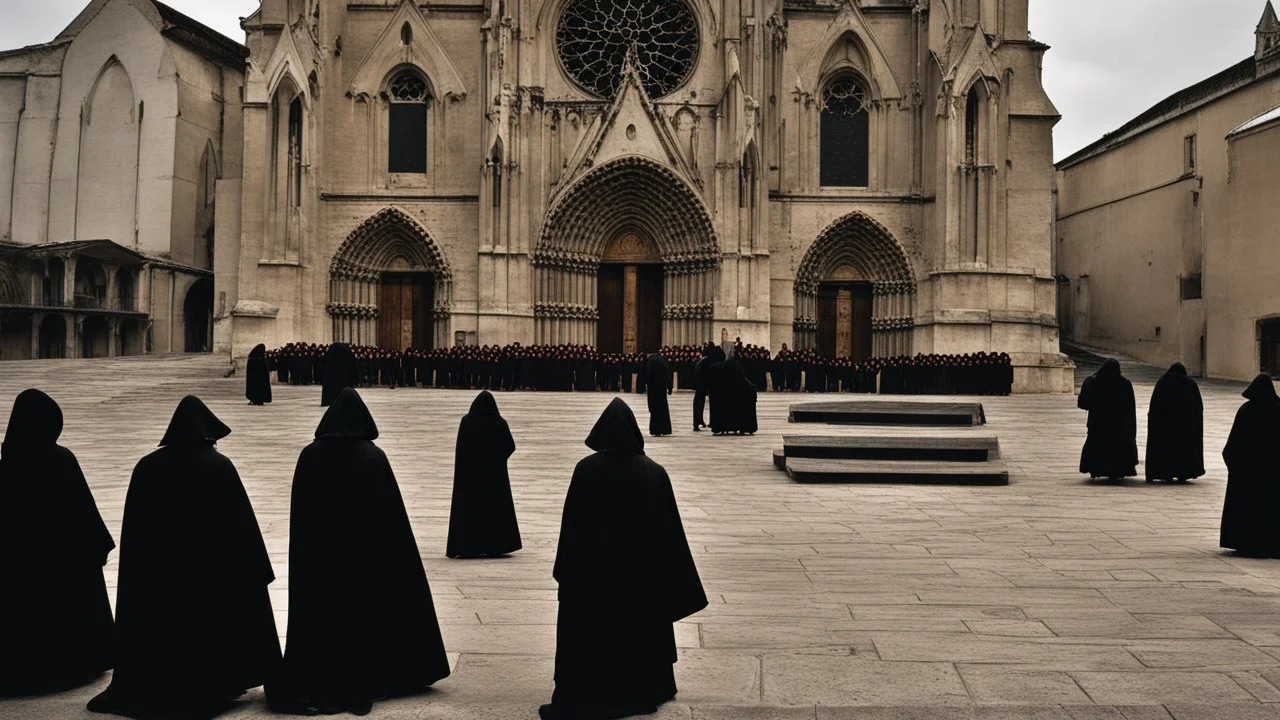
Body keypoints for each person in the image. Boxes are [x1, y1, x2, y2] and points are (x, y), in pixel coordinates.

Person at [89, 396, 280, 718]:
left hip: (160, 586)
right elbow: (242, 532)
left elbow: (136, 539)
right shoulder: (219, 467)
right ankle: (213, 683)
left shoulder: (147, 468)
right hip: (209, 584)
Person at [269, 388, 450, 715]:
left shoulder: (310, 456)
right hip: (365, 565)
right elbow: (392, 523)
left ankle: (320, 676)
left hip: (320, 564)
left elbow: (303, 517)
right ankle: (365, 675)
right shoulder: (373, 457)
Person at [541, 399, 707, 720]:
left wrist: (569, 574)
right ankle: (644, 683)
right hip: (639, 585)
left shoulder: (585, 471)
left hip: (593, 585)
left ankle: (591, 684)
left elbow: (571, 531)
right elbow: (670, 539)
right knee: (639, 626)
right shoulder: (654, 473)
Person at [0, 390, 115, 696]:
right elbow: (83, 513)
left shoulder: (8, 460)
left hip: (19, 571)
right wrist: (97, 546)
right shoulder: (60, 459)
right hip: (63, 567)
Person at [447, 391, 522, 558]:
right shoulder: (499, 422)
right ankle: (494, 545)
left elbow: (461, 448)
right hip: (494, 476)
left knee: (471, 509)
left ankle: (469, 545)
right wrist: (497, 460)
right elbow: (510, 446)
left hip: (470, 476)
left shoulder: (466, 421)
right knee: (493, 509)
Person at [1221, 375, 1280, 557]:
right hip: (1274, 474)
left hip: (1248, 474)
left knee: (1250, 509)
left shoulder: (1246, 411)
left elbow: (1231, 446)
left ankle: (1248, 542)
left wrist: (1236, 468)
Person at [1076, 359, 1138, 480]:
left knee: (1097, 445)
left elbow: (1083, 403)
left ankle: (1095, 469)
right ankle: (1116, 471)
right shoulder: (1124, 384)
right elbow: (1130, 407)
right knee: (1116, 448)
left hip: (1098, 423)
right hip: (1119, 425)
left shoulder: (1092, 381)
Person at [1145, 363, 1205, 483]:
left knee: (1166, 449)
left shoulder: (1163, 382)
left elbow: (1155, 407)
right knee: (1182, 449)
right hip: (1185, 427)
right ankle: (1183, 473)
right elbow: (1198, 408)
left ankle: (1165, 473)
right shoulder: (1190, 384)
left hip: (1165, 427)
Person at [642, 352, 673, 437]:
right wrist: (669, 387)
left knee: (654, 410)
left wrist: (644, 386)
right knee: (663, 409)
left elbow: (646, 375)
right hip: (662, 390)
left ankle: (656, 430)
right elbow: (668, 375)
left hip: (653, 390)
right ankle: (665, 429)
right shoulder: (663, 362)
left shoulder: (650, 363)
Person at [321, 343, 358, 407]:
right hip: (345, 379)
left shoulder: (331, 354)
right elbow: (354, 366)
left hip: (332, 379)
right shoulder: (347, 354)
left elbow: (323, 364)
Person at [692, 345, 712, 431]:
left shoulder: (701, 361)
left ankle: (699, 421)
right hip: (703, 385)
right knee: (700, 403)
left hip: (699, 386)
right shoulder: (707, 361)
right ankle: (698, 422)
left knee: (698, 404)